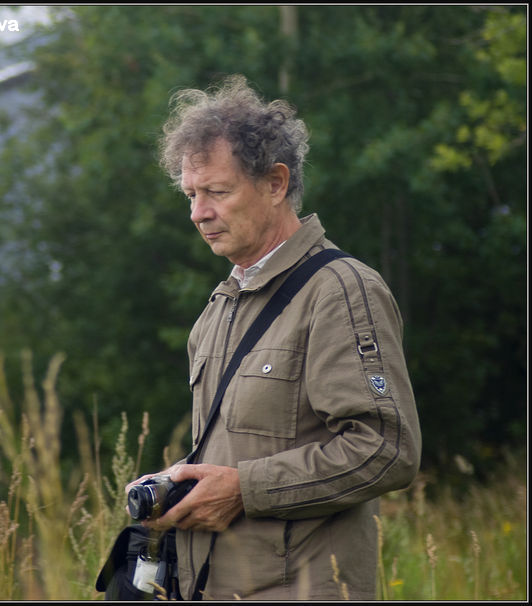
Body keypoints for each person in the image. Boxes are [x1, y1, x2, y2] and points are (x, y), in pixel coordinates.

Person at [126, 75, 422, 600]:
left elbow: (386, 448)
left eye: (217, 191)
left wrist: (244, 490)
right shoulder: (218, 308)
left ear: (275, 184)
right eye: (191, 194)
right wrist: (181, 489)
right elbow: (237, 450)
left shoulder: (340, 291)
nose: (198, 213)